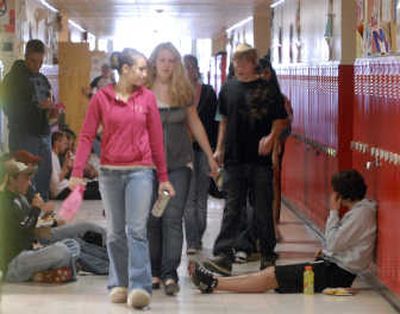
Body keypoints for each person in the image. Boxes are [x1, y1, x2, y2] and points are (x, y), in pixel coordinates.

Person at [69, 48, 175, 309]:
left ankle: (140, 286)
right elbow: (85, 135)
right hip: (109, 173)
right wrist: (77, 170)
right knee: (115, 233)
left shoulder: (147, 98)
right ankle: (119, 282)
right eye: (140, 68)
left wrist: (163, 176)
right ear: (124, 70)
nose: (145, 73)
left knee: (136, 229)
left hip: (140, 171)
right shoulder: (101, 98)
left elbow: (156, 139)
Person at [190, 169, 377, 295]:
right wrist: (327, 250)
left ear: (341, 195)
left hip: (336, 274)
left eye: (334, 192)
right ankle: (214, 281)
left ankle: (213, 283)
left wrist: (334, 211)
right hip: (331, 267)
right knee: (272, 274)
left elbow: (335, 242)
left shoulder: (361, 214)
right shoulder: (359, 212)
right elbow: (338, 243)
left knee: (272, 277)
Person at [204, 43, 288, 276]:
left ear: (253, 63)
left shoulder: (268, 89)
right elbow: (224, 120)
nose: (238, 67)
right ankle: (223, 255)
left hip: (259, 160)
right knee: (233, 208)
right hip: (234, 158)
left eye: (243, 62)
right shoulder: (228, 88)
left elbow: (281, 119)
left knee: (261, 208)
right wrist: (219, 149)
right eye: (235, 62)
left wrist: (272, 138)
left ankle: (268, 254)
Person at [147, 42, 218, 296]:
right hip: (149, 166)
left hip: (179, 165)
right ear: (154, 62)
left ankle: (169, 274)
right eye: (162, 60)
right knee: (153, 218)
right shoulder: (142, 90)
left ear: (176, 65)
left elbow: (196, 124)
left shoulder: (183, 90)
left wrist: (210, 156)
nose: (166, 65)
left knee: (173, 218)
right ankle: (153, 272)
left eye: (171, 61)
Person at [0, 158, 80, 284]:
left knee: (72, 244)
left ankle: (48, 272)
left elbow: (36, 226)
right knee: (61, 250)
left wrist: (48, 215)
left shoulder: (21, 198)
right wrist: (36, 209)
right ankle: (61, 269)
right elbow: (26, 228)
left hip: (30, 253)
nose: (29, 182)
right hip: (16, 263)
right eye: (25, 178)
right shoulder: (5, 202)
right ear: (11, 179)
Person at [1, 39, 54, 200]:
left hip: (43, 132)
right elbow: (9, 108)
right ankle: (28, 212)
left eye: (40, 62)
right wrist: (36, 107)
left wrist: (51, 110)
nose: (36, 66)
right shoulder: (12, 80)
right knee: (26, 176)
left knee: (44, 174)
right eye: (33, 61)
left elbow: (49, 100)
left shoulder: (42, 79)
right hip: (24, 133)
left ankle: (42, 210)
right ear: (25, 57)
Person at [183, 54, 219, 255]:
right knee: (189, 197)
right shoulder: (178, 94)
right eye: (185, 67)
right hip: (185, 151)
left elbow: (215, 123)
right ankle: (192, 241)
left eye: (190, 67)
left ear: (196, 69)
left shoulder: (208, 92)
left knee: (202, 195)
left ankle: (199, 233)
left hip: (204, 150)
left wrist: (214, 152)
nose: (188, 70)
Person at [259, 54, 294, 235]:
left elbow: (287, 123)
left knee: (273, 183)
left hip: (274, 148)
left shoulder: (281, 99)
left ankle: (273, 221)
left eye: (266, 73)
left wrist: (277, 143)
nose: (264, 77)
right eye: (260, 73)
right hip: (254, 149)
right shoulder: (251, 97)